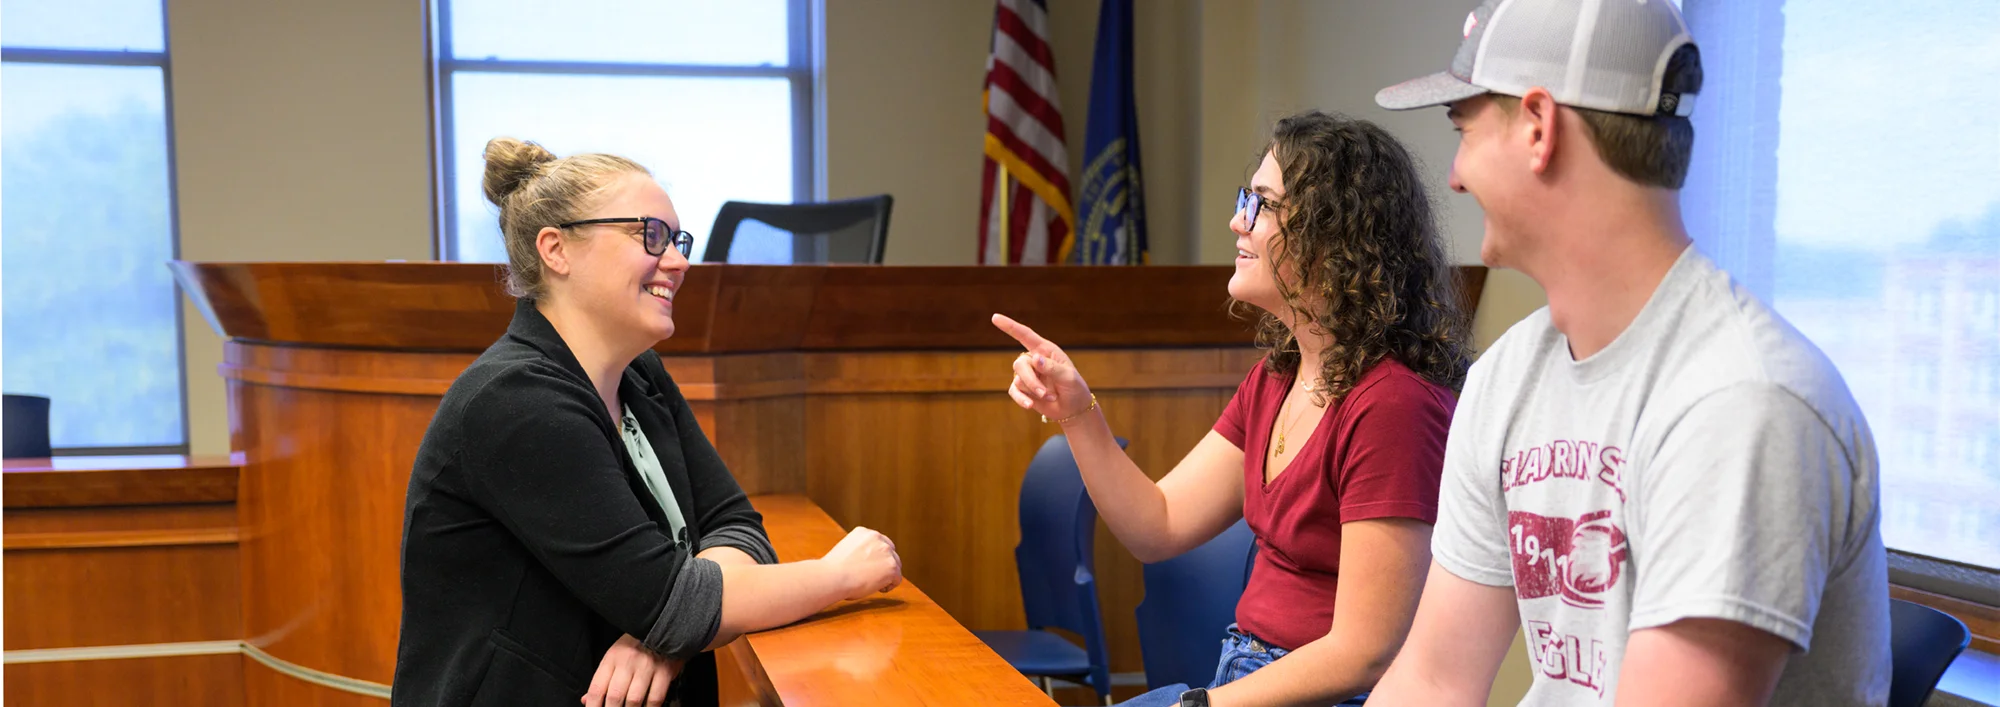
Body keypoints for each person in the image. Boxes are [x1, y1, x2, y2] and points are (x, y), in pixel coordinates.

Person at [1364, 1, 1890, 705]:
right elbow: (1433, 679)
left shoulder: (1741, 405)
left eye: (1464, 131)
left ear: (1538, 127)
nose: (1454, 175)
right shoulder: (1504, 381)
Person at [393, 138, 904, 707]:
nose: (680, 262)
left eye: (677, 240)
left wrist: (666, 628)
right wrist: (840, 576)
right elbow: (680, 607)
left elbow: (736, 527)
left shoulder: (639, 374)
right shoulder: (516, 402)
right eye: (650, 236)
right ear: (556, 249)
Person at [994, 111, 1473, 707]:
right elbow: (1158, 525)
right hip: (1246, 675)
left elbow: (1363, 652)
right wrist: (1077, 410)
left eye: (1261, 205)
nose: (1235, 222)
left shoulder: (1394, 404)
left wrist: (1199, 706)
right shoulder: (1277, 375)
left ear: (1335, 235)